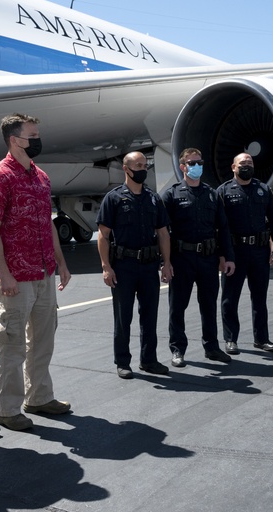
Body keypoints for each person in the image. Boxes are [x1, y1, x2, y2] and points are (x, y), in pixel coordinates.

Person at [0, 113, 72, 432]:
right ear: (16, 140)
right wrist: (3, 273)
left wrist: (60, 262)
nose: (37, 140)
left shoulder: (40, 176)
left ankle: (40, 396)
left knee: (43, 340)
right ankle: (7, 408)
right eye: (32, 135)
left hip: (43, 272)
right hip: (16, 276)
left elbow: (47, 222)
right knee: (12, 342)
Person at [96, 151, 174, 379]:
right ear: (126, 169)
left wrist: (166, 262)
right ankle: (123, 362)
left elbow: (163, 233)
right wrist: (106, 266)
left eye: (145, 164)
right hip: (124, 266)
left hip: (149, 266)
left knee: (149, 315)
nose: (143, 168)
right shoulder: (114, 198)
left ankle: (149, 360)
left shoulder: (153, 198)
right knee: (123, 317)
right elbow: (103, 235)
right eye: (138, 165)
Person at [160, 148, 234, 367]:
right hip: (182, 259)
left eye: (199, 162)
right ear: (183, 166)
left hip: (208, 259)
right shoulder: (171, 195)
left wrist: (226, 256)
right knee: (177, 306)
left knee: (209, 305)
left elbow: (223, 228)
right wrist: (165, 262)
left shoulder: (212, 194)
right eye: (192, 163)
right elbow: (162, 232)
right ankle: (178, 349)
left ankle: (211, 347)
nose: (197, 166)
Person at [216, 153, 273, 354]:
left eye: (250, 163)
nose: (247, 166)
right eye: (243, 163)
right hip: (234, 253)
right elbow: (219, 227)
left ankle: (261, 338)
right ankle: (231, 339)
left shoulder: (263, 189)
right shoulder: (223, 191)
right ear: (233, 167)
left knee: (260, 297)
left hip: (259, 251)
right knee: (230, 298)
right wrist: (223, 256)